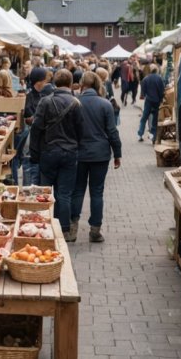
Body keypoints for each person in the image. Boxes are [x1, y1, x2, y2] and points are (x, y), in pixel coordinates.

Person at [30, 69, 83, 241]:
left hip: (49, 152)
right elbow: (80, 131)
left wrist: (34, 153)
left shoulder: (45, 102)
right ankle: (65, 230)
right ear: (69, 83)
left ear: (54, 83)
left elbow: (36, 129)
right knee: (65, 193)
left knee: (47, 192)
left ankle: (47, 228)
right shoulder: (76, 103)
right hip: (69, 153)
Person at [70, 72, 122, 243]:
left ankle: (72, 229)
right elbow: (112, 131)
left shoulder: (75, 103)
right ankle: (95, 230)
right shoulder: (105, 104)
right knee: (97, 192)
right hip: (100, 153)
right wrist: (117, 153)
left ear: (82, 84)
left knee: (77, 191)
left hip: (78, 153)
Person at [19, 67, 51, 186]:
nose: (46, 82)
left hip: (44, 142)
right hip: (32, 141)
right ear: (39, 81)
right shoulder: (29, 97)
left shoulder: (46, 94)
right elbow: (28, 118)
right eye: (44, 80)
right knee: (30, 169)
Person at [137, 64, 166, 142]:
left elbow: (143, 92)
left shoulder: (145, 79)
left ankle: (140, 134)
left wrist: (147, 95)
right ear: (156, 70)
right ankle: (153, 136)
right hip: (156, 102)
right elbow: (162, 91)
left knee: (144, 118)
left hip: (149, 101)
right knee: (154, 120)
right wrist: (160, 99)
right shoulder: (159, 78)